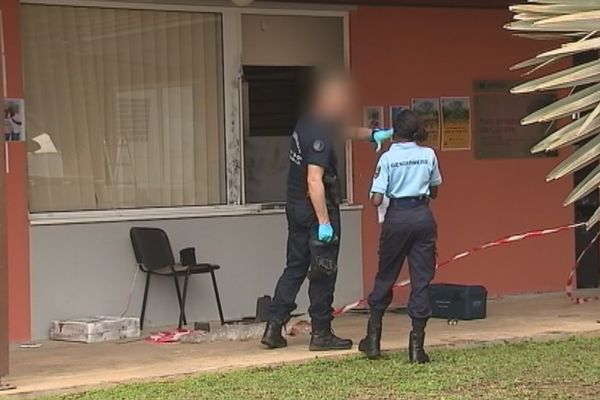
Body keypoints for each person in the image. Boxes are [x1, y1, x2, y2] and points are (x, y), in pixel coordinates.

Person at [261, 74, 394, 351]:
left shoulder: (310, 120)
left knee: (295, 266)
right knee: (323, 268)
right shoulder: (319, 133)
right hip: (315, 207)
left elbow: (343, 129)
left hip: (295, 205)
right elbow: (314, 179)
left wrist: (372, 135)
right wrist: (324, 222)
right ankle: (321, 333)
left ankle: (274, 326)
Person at [359, 109, 442, 362]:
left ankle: (373, 341)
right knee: (421, 280)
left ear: (395, 131)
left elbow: (375, 200)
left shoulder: (387, 158)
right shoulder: (428, 154)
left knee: (386, 275)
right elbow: (435, 190)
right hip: (422, 216)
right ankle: (417, 348)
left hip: (396, 219)